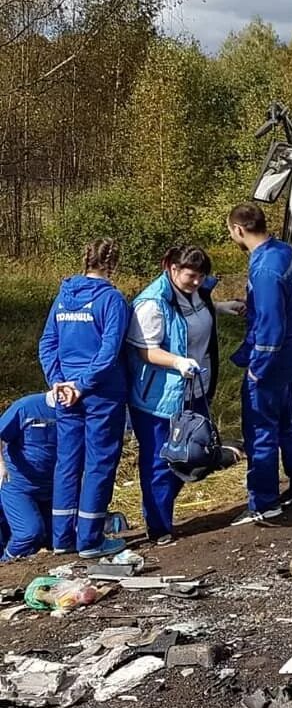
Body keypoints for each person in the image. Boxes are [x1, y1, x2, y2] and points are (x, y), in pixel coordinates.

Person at [127, 246, 239, 546]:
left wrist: (221, 307)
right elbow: (145, 350)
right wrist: (177, 361)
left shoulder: (196, 293)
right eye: (191, 276)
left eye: (202, 276)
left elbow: (190, 315)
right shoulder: (151, 304)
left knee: (194, 456)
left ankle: (160, 513)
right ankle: (159, 527)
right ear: (172, 269)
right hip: (159, 399)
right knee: (160, 462)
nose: (197, 282)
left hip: (195, 391)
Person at [38, 239, 129, 559]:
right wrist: (82, 384)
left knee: (67, 462)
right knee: (99, 463)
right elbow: (109, 351)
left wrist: (58, 381)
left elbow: (47, 343)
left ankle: (62, 538)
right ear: (112, 264)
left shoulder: (63, 298)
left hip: (67, 394)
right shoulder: (112, 300)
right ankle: (90, 539)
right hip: (101, 393)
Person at [227, 203, 292, 525]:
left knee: (260, 427)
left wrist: (257, 367)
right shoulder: (283, 251)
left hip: (273, 356)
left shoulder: (264, 269)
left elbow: (270, 324)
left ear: (238, 230)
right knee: (285, 419)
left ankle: (264, 503)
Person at [0, 391, 58, 560]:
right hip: (19, 486)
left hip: (53, 488)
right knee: (29, 533)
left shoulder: (74, 412)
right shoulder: (26, 407)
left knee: (59, 538)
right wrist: (1, 466)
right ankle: (5, 563)